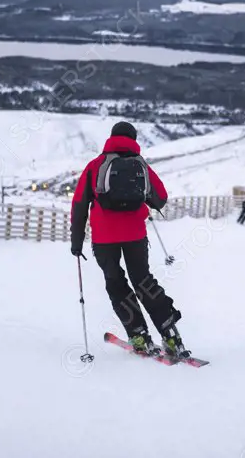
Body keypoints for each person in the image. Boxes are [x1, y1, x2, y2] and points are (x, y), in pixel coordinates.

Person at [70, 121, 185, 357]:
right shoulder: (141, 165)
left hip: (104, 238)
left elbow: (79, 204)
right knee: (144, 282)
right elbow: (161, 198)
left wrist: (77, 240)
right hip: (135, 235)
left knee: (116, 283)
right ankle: (171, 335)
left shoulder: (95, 165)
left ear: (111, 138)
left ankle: (139, 335)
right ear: (133, 139)